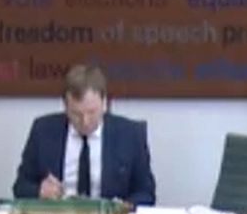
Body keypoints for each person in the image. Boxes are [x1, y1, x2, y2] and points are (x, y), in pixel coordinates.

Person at [12, 65, 156, 206]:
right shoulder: (43, 130)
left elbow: (146, 193)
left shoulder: (131, 134)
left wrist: (124, 207)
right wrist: (40, 191)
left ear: (104, 103)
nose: (85, 121)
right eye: (76, 114)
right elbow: (20, 187)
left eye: (92, 112)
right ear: (65, 106)